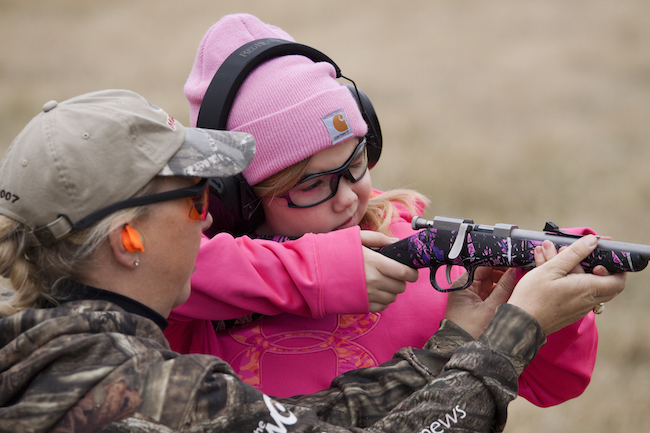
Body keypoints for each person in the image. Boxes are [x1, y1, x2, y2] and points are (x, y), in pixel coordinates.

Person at [0, 88, 627, 433]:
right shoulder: (135, 392)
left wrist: (455, 340)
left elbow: (307, 421)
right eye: (195, 200)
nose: (212, 220)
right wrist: (510, 340)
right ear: (126, 241)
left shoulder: (86, 361)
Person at [168, 13, 602, 404]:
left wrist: (545, 313)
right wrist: (324, 274)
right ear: (236, 197)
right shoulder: (192, 280)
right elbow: (146, 265)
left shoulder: (419, 260)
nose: (348, 197)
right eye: (312, 184)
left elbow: (553, 383)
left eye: (356, 164)